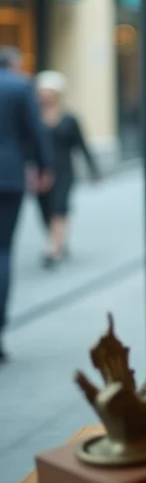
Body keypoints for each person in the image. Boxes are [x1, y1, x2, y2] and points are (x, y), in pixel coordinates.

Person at [0, 47, 52, 360]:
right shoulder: (20, 86)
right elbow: (36, 131)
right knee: (3, 250)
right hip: (9, 177)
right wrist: (45, 167)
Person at [34, 70, 100, 267]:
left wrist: (92, 169)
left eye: (49, 92)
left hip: (63, 169)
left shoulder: (69, 119)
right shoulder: (35, 117)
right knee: (45, 209)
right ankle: (58, 239)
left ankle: (53, 249)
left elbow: (81, 145)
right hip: (41, 170)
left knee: (58, 206)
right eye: (42, 92)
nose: (45, 96)